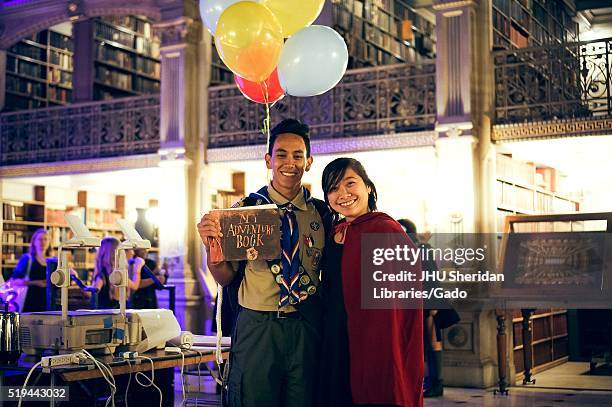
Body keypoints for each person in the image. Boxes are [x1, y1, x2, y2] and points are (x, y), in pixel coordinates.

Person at [197, 118, 331, 407]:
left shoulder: (322, 214)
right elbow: (225, 278)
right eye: (281, 154)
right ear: (269, 159)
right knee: (252, 398)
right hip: (258, 325)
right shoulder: (245, 212)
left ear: (309, 161)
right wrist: (212, 248)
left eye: (298, 155)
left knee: (304, 399)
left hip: (305, 325)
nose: (289, 162)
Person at [320, 158, 423, 407]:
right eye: (333, 188)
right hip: (334, 339)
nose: (342, 194)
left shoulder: (385, 231)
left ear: (368, 187)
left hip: (373, 341)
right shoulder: (333, 231)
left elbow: (402, 297)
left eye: (350, 183)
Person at [398, 219, 460, 398]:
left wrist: (433, 305)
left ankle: (436, 383)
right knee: (423, 345)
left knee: (433, 343)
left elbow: (431, 277)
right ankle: (426, 382)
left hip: (429, 305)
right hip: (414, 304)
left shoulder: (422, 249)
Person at [92, 236, 143, 309]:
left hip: (110, 316)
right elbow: (135, 286)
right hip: (110, 316)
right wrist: (137, 269)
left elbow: (134, 286)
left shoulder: (107, 274)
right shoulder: (108, 275)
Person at [10, 228, 52, 312]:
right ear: (34, 242)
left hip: (48, 305)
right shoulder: (27, 259)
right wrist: (35, 282)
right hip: (29, 303)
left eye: (45, 239)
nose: (42, 242)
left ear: (49, 242)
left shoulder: (52, 261)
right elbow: (13, 281)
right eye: (39, 239)